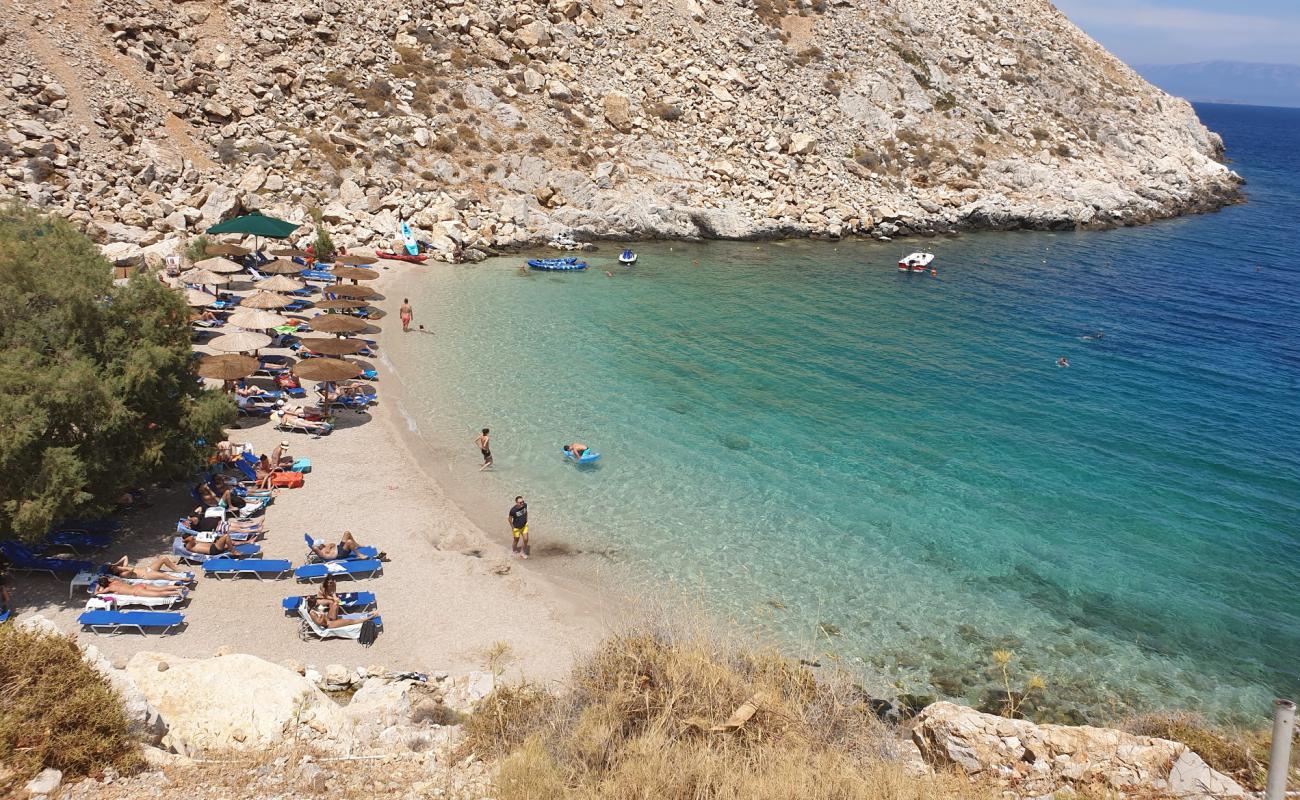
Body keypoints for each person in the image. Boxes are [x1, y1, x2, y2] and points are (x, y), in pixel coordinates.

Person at [312, 531, 384, 561]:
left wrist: (329, 547)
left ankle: (356, 544)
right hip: (340, 555)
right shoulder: (321, 553)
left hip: (339, 548)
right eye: (320, 544)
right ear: (318, 547)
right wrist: (329, 547)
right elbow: (315, 548)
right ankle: (359, 555)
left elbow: (333, 544)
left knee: (347, 533)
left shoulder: (324, 546)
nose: (323, 544)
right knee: (349, 542)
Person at [107, 556, 188, 581]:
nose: (116, 567)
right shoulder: (122, 574)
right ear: (115, 571)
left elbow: (125, 557)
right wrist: (121, 567)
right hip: (146, 575)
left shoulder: (123, 567)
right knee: (163, 575)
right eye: (114, 568)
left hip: (149, 568)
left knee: (163, 558)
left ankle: (177, 571)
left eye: (115, 566)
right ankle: (180, 579)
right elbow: (131, 570)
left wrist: (115, 564)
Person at [95, 575, 184, 598]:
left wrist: (98, 586)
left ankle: (176, 592)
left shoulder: (109, 588)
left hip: (137, 591)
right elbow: (108, 579)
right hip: (139, 585)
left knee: (158, 594)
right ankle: (179, 587)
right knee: (160, 588)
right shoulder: (115, 581)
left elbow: (97, 593)